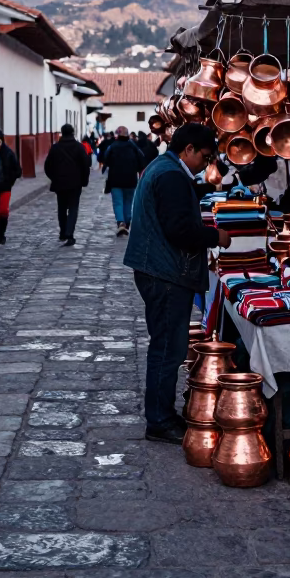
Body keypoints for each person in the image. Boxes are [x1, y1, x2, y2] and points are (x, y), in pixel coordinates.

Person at [124, 122, 231, 443]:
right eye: (205, 157)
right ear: (188, 150)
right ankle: (159, 419)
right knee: (168, 349)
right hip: (165, 273)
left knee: (165, 345)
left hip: (156, 268)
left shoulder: (166, 168)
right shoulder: (170, 174)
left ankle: (161, 414)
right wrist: (216, 236)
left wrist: (206, 189)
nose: (206, 164)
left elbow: (178, 200)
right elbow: (178, 229)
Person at [44, 123, 91, 246]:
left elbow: (47, 166)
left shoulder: (55, 148)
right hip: (75, 183)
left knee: (62, 208)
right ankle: (69, 233)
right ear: (73, 132)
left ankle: (63, 232)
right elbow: (85, 165)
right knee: (73, 208)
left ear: (62, 133)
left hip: (60, 183)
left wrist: (54, 177)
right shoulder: (79, 147)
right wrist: (84, 180)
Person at [103, 126, 146, 235]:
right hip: (131, 179)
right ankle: (127, 223)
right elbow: (142, 159)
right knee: (128, 201)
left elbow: (105, 159)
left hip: (115, 179)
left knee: (118, 202)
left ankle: (121, 222)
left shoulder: (112, 146)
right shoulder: (133, 146)